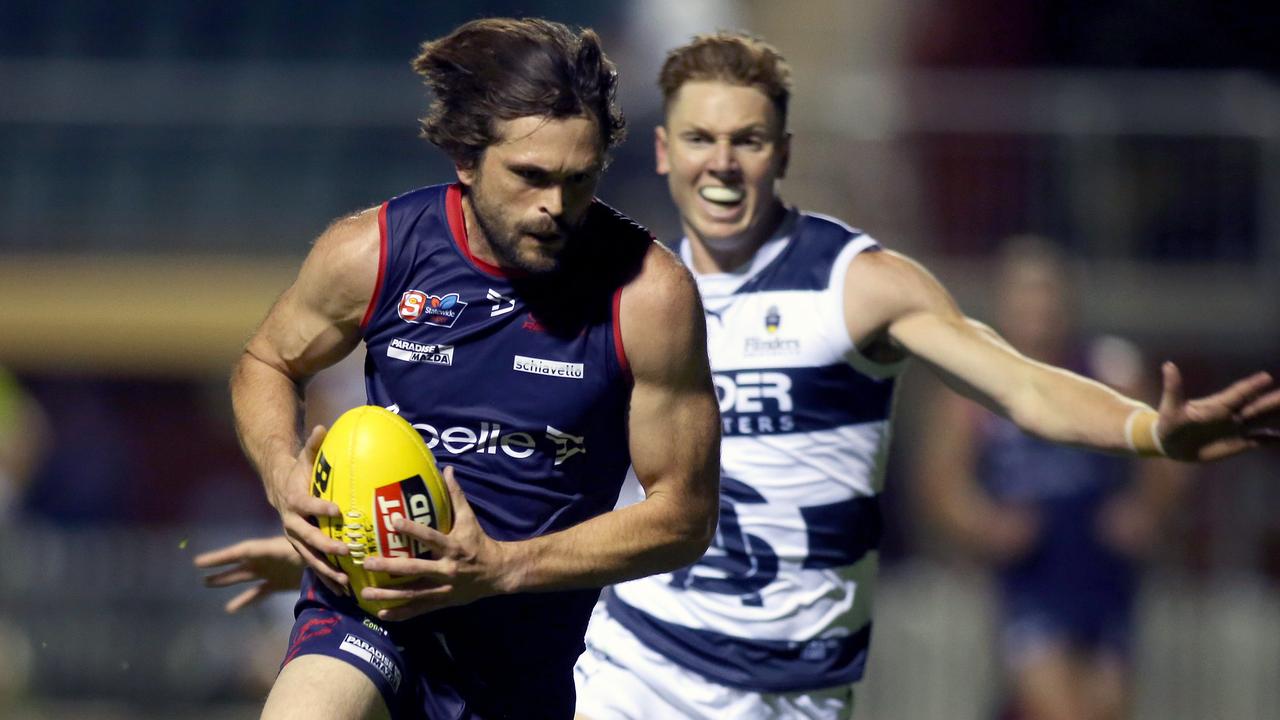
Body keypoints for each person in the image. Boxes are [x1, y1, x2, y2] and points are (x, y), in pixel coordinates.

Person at [203, 30, 1278, 720]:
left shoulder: (828, 286)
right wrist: (322, 497)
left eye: (750, 139)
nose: (725, 162)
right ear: (664, 154)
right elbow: (281, 367)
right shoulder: (514, 262)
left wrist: (1147, 431)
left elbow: (1017, 383)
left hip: (762, 677)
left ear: (783, 150)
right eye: (702, 139)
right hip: (622, 663)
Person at [222, 17, 720, 720]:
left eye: (579, 181)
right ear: (465, 158)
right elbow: (268, 361)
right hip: (371, 610)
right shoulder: (375, 252)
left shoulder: (649, 296)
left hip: (517, 660)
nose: (556, 206)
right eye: (530, 177)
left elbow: (685, 516)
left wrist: (502, 568)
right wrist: (282, 476)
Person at [915, 237, 1191, 720]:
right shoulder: (972, 388)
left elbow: (1166, 450)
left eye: (1046, 290)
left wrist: (1146, 511)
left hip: (1102, 562)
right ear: (1003, 301)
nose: (1036, 304)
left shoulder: (1110, 369)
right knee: (1055, 705)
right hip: (1031, 569)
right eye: (1024, 291)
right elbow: (940, 483)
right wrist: (986, 525)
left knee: (1107, 705)